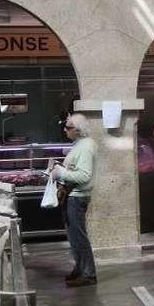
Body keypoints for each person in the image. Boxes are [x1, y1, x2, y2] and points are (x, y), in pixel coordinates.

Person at [50, 114, 98, 288]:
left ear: (78, 130)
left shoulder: (85, 146)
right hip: (72, 196)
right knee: (73, 236)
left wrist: (60, 173)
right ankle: (79, 268)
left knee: (79, 236)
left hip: (77, 197)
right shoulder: (80, 144)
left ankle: (88, 273)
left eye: (68, 127)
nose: (65, 129)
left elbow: (84, 176)